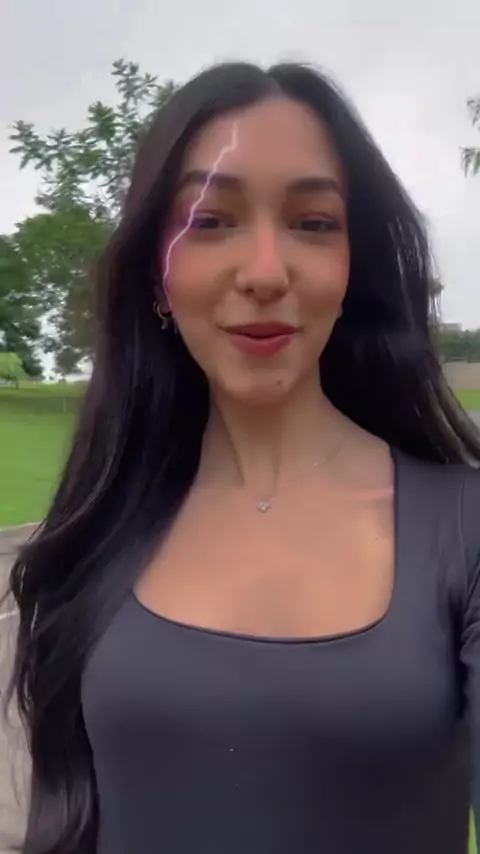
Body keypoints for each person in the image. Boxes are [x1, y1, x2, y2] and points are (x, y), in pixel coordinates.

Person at [8, 60, 480, 854]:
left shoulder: (464, 533)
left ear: (353, 266)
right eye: (210, 221)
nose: (264, 272)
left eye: (313, 222)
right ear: (156, 276)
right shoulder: (98, 530)